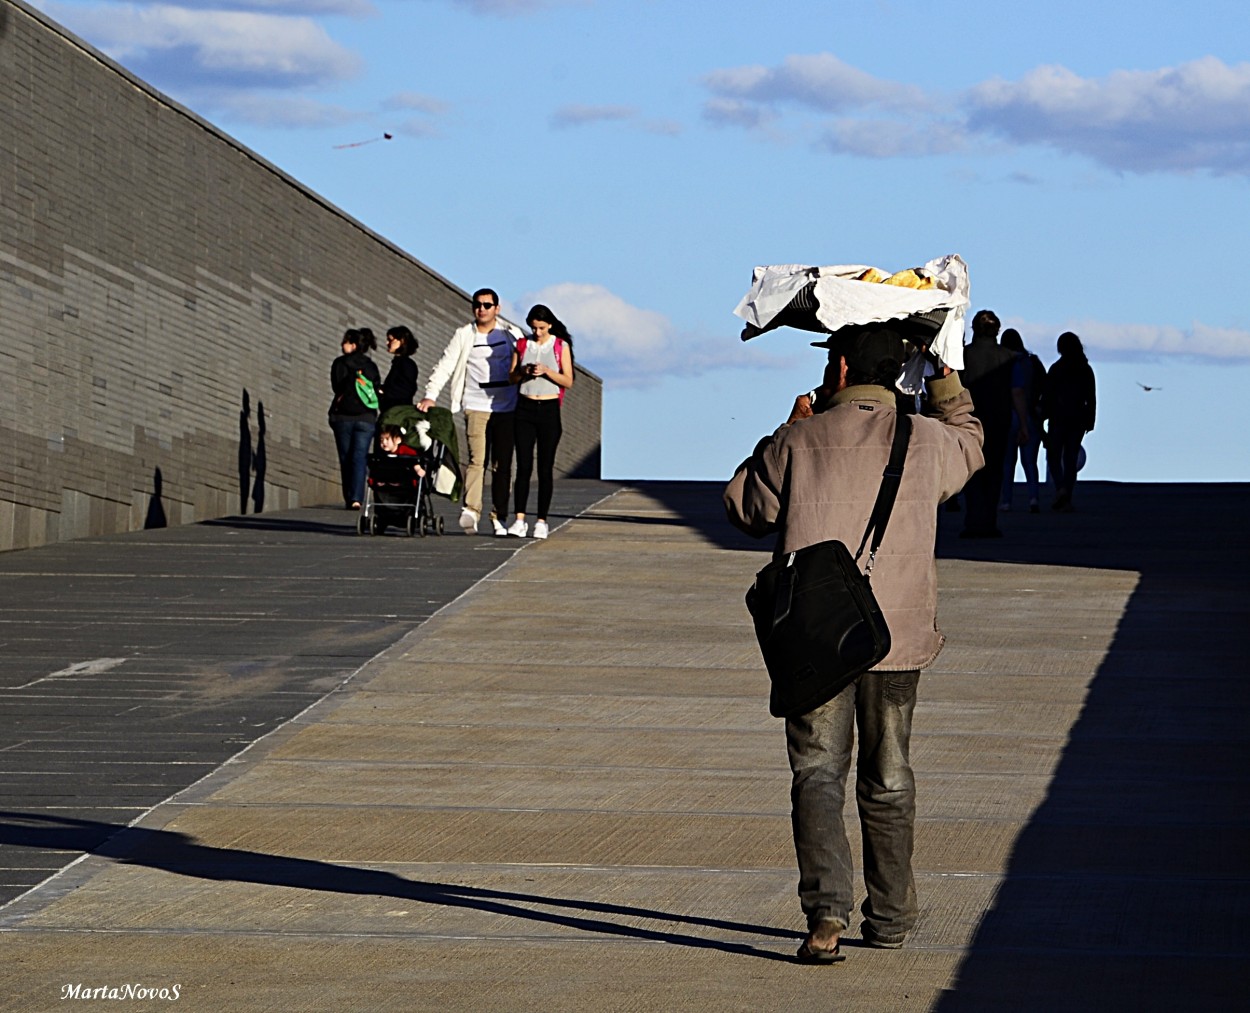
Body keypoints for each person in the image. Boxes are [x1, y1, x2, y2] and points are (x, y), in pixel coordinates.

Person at [724, 324, 983, 964]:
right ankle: (891, 917)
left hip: (815, 639)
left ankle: (825, 918)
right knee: (889, 774)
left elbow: (743, 509)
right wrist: (946, 378)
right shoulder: (927, 440)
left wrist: (781, 431)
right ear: (899, 374)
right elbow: (973, 444)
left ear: (838, 367)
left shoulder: (799, 438)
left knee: (817, 773)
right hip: (894, 636)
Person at [418, 289, 521, 536]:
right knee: (477, 460)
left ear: (497, 308)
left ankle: (499, 516)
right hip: (476, 406)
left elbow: (525, 361)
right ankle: (471, 511)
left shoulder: (511, 334)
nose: (482, 309)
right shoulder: (464, 334)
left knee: (502, 464)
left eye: (487, 305)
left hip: (507, 408)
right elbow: (446, 364)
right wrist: (431, 394)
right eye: (477, 304)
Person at [506, 305, 575, 540]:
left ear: (550, 326)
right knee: (523, 466)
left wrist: (546, 370)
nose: (537, 332)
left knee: (545, 468)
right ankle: (519, 519)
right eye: (534, 328)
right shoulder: (523, 345)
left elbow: (568, 380)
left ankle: (542, 521)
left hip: (548, 409)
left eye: (541, 328)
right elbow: (511, 376)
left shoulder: (560, 346)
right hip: (524, 408)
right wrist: (525, 371)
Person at [958, 309, 1015, 537]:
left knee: (972, 472)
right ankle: (989, 522)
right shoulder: (1008, 357)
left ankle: (973, 521)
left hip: (970, 419)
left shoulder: (964, 355)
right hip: (999, 420)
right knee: (994, 473)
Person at [1041, 331, 1096, 512]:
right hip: (1078, 418)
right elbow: (1091, 397)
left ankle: (1060, 489)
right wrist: (1090, 420)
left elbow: (1048, 396)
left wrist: (1042, 417)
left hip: (1058, 418)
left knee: (1054, 456)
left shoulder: (1056, 369)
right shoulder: (1085, 369)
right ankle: (1067, 495)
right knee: (1070, 458)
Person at [328, 328, 381, 509]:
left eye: (345, 341)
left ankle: (349, 497)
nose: (342, 344)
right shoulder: (370, 366)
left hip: (342, 416)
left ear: (353, 344)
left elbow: (336, 387)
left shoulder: (340, 363)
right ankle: (357, 498)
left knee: (346, 458)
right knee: (360, 457)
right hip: (366, 417)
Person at [999, 328, 1046, 513]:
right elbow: (1043, 386)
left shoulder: (1002, 364)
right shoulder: (1032, 362)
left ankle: (1006, 501)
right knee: (1030, 462)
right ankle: (1033, 498)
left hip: (1008, 414)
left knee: (1008, 463)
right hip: (1031, 414)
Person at [378, 325, 419, 415]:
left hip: (397, 413)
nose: (387, 343)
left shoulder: (406, 363)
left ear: (402, 341)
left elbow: (406, 389)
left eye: (390, 340)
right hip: (393, 412)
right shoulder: (400, 363)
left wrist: (384, 391)